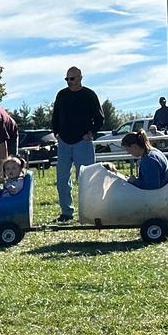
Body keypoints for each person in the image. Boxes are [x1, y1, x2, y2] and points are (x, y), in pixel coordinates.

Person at [49, 67, 104, 222]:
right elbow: (55, 116)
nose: (69, 82)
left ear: (80, 78)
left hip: (83, 143)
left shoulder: (89, 95)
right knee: (62, 180)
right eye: (67, 79)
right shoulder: (61, 95)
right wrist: (57, 133)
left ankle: (90, 211)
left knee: (87, 179)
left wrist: (91, 133)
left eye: (72, 79)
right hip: (64, 143)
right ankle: (66, 212)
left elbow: (100, 118)